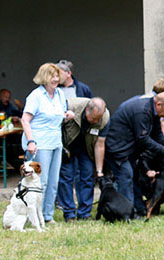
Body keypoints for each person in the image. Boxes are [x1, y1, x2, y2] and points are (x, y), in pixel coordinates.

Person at [105, 92, 164, 218]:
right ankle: (127, 214)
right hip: (117, 148)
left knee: (134, 176)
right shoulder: (142, 112)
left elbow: (157, 134)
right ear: (159, 104)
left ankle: (139, 209)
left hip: (129, 148)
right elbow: (143, 139)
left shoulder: (153, 111)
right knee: (126, 176)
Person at [21, 63, 72, 224]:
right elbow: (25, 120)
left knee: (53, 181)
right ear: (44, 77)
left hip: (56, 142)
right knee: (39, 181)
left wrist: (66, 115)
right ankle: (33, 216)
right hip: (40, 143)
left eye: (57, 76)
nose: (56, 79)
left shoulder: (60, 95)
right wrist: (30, 141)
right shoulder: (36, 96)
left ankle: (47, 216)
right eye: (52, 76)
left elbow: (57, 115)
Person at [57, 97, 109, 222]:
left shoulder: (105, 117)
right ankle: (69, 214)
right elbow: (54, 126)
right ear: (86, 111)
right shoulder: (69, 106)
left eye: (99, 118)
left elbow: (100, 144)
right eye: (94, 118)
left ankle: (84, 213)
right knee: (66, 178)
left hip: (86, 147)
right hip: (67, 145)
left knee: (87, 177)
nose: (97, 121)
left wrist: (99, 170)